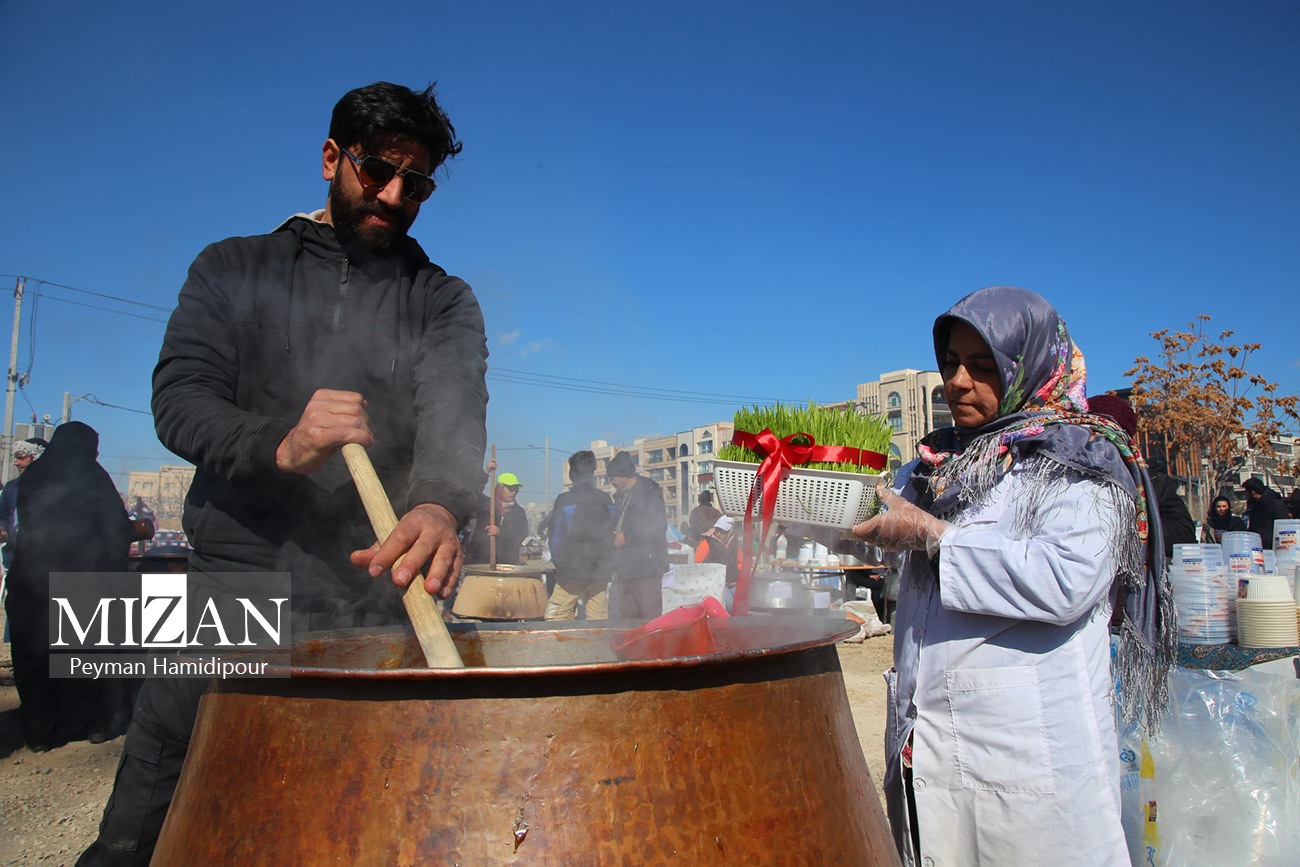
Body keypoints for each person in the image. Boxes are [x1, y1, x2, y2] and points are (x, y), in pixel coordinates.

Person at [77, 81, 488, 867]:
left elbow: (455, 416)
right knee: (151, 820)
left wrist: (438, 504)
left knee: (366, 821)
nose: (397, 196)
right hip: (233, 585)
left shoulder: (441, 301)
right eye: (377, 171)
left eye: (418, 184)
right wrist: (283, 441)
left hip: (373, 593)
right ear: (333, 158)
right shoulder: (234, 267)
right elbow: (179, 400)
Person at [851, 286, 1174, 866]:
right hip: (928, 741)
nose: (958, 382)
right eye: (950, 364)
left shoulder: (1078, 464)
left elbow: (1065, 580)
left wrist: (933, 535)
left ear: (1031, 368)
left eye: (982, 366)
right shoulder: (936, 463)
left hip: (1026, 750)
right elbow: (867, 516)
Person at [5, 423, 134, 750]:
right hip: (81, 581)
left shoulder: (31, 476)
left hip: (30, 582)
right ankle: (93, 724)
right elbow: (114, 529)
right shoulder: (93, 477)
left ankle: (39, 733)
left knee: (33, 658)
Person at [1087, 393, 1196, 556]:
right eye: (1089, 432)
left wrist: (1130, 528)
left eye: (1106, 435)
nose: (1098, 443)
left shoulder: (1150, 481)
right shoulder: (1065, 476)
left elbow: (1183, 533)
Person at [543, 451, 615, 620]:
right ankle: (599, 646)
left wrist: (559, 564)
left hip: (573, 571)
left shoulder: (565, 500)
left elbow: (556, 537)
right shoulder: (605, 498)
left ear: (573, 474)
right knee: (597, 618)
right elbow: (612, 530)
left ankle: (561, 647)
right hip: (600, 570)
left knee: (554, 616)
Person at [607, 451, 668, 619]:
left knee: (649, 616)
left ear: (625, 475)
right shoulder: (620, 496)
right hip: (626, 567)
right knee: (628, 617)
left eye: (612, 477)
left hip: (647, 565)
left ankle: (654, 646)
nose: (610, 481)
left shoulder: (649, 491)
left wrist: (626, 537)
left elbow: (658, 525)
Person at [0, 438, 46, 570]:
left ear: (36, 458)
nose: (16, 463)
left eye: (21, 458)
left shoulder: (55, 488)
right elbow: (3, 518)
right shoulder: (11, 487)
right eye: (15, 458)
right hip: (15, 563)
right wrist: (3, 531)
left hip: (44, 565)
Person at [465, 472, 529, 565]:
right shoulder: (486, 505)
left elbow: (521, 534)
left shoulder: (519, 512)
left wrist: (501, 532)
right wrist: (486, 473)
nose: (514, 492)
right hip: (478, 561)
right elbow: (474, 492)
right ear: (500, 488)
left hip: (506, 563)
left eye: (516, 489)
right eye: (510, 488)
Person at [694, 514, 740, 607]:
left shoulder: (734, 541)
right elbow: (698, 563)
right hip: (717, 584)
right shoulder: (707, 542)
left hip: (734, 582)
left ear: (730, 532)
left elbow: (740, 561)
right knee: (730, 605)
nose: (718, 533)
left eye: (722, 531)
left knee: (743, 603)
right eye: (717, 530)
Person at [1242, 477, 1290, 549]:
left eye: (1246, 492)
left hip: (1273, 548)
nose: (1246, 495)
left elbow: (1283, 528)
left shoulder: (1276, 505)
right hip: (1256, 546)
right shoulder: (1253, 506)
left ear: (1253, 493)